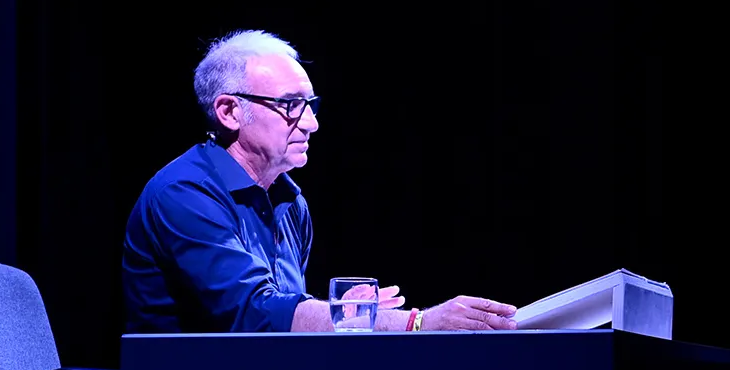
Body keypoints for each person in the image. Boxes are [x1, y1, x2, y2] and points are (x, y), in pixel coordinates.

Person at [122, 29, 516, 334]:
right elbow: (254, 315)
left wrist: (346, 315)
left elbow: (280, 318)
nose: (311, 123)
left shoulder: (289, 200)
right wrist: (416, 322)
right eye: (290, 105)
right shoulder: (184, 194)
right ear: (229, 112)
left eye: (310, 105)